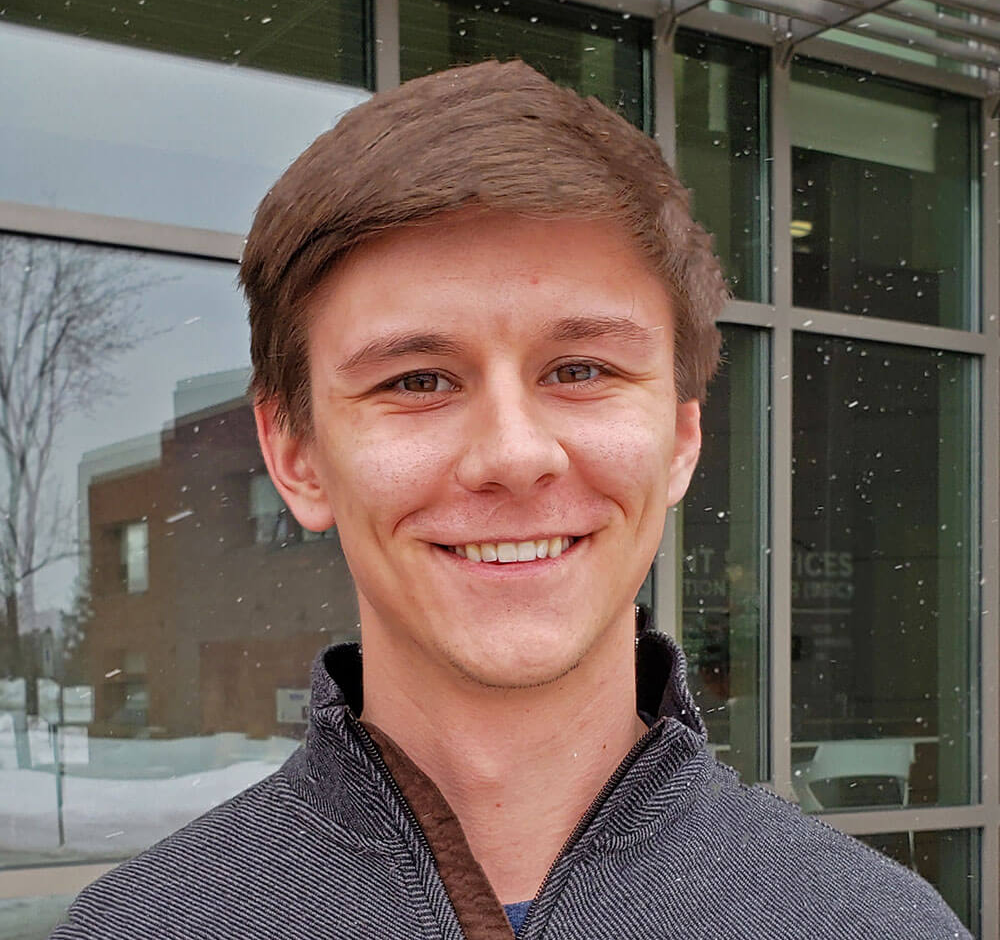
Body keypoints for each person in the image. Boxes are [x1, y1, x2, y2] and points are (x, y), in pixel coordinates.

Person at [51, 59, 970, 940]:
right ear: (296, 458)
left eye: (581, 369)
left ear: (682, 439)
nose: (514, 455)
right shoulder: (136, 932)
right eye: (417, 380)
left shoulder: (878, 927)